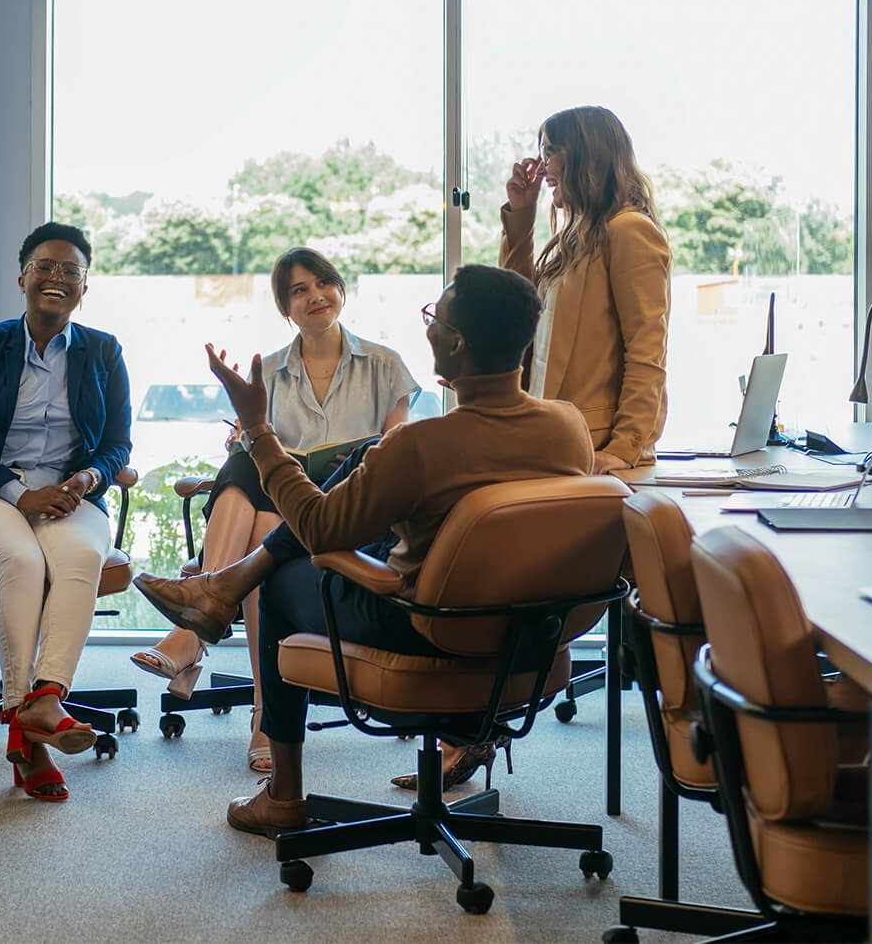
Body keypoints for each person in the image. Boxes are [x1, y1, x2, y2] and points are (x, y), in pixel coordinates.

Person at [132, 264, 595, 836]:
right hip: (531, 638)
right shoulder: (569, 426)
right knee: (365, 457)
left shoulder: (423, 445)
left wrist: (257, 430)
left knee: (282, 580)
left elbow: (321, 527)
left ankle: (283, 792)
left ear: (455, 342)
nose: (427, 329)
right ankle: (224, 586)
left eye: (436, 318)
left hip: (427, 627)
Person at [131, 247, 417, 773]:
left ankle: (199, 629)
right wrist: (246, 434)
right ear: (285, 307)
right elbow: (258, 452)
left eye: (323, 284)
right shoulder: (269, 370)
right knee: (247, 475)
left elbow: (393, 458)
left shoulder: (385, 363)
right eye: (299, 291)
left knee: (265, 510)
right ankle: (260, 707)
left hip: (346, 505)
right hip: (284, 508)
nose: (315, 297)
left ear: (340, 288)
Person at [0, 222, 131, 802]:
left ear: (84, 287)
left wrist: (87, 478)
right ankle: (31, 728)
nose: (57, 278)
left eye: (72, 271)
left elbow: (117, 444)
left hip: (71, 495)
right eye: (45, 266)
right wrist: (20, 494)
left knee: (81, 557)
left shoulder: (103, 350)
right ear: (22, 277)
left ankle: (45, 699)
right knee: (22, 563)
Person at [500, 104, 671, 476]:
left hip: (595, 449)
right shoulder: (577, 239)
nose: (541, 167)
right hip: (551, 438)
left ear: (585, 155)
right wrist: (521, 215)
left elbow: (647, 353)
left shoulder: (628, 231)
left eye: (550, 152)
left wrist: (625, 448)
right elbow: (515, 309)